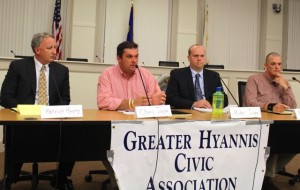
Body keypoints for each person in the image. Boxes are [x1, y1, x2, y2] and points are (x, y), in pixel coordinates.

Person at [0, 32, 74, 190]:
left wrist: (52, 113)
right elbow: (5, 97)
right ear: (37, 50)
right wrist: (27, 110)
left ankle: (61, 179)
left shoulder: (62, 71)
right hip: (24, 120)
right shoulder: (18, 67)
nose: (55, 51)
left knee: (73, 135)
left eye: (55, 47)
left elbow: (65, 99)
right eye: (50, 48)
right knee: (17, 137)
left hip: (51, 121)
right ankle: (10, 178)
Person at [243, 52, 297, 190]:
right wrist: (270, 106)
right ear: (265, 66)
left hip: (281, 122)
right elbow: (249, 102)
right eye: (273, 64)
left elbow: (292, 106)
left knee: (295, 140)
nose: (277, 67)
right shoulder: (254, 79)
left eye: (279, 64)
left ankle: (268, 173)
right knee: (274, 139)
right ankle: (265, 178)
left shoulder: (283, 83)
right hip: (260, 123)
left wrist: (285, 88)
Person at [97, 41, 166, 110]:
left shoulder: (146, 75)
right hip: (116, 119)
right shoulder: (107, 75)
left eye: (136, 56)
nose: (134, 60)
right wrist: (131, 103)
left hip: (140, 119)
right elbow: (103, 102)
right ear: (119, 58)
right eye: (129, 57)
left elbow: (156, 99)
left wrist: (156, 103)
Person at [166, 44, 228, 109]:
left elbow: (224, 100)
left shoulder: (214, 76)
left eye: (202, 56)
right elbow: (170, 98)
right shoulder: (177, 74)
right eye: (196, 56)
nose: (199, 59)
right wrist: (194, 104)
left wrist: (210, 104)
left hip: (208, 112)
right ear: (188, 58)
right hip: (189, 113)